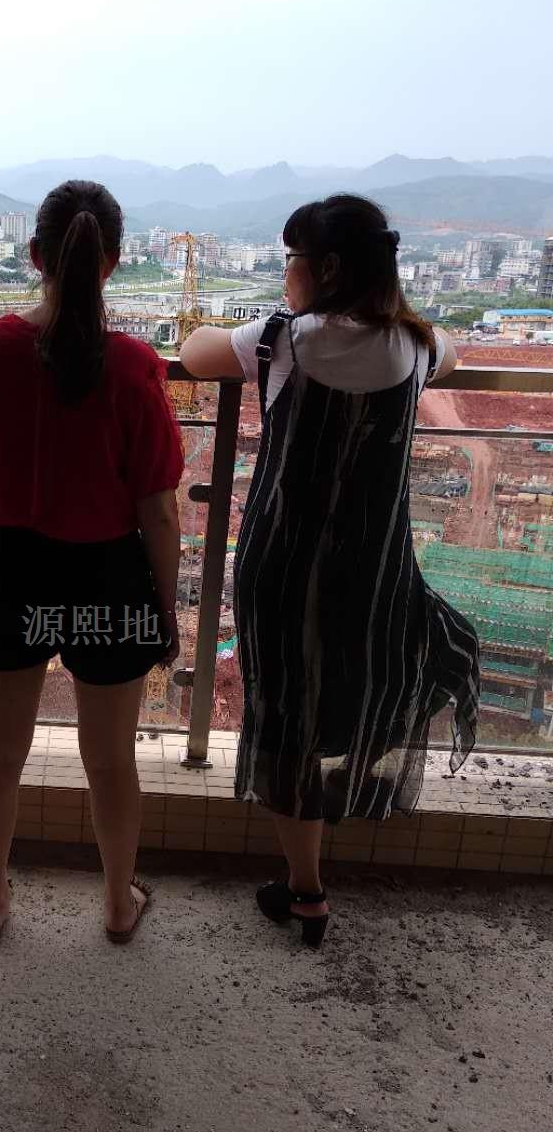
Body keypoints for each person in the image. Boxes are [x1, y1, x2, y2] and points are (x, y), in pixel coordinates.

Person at [179, 194, 480, 948]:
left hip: (282, 569)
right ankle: (348, 806)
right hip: (373, 573)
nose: (286, 273)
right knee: (356, 695)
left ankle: (306, 887)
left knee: (287, 718)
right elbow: (453, 352)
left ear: (328, 268)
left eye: (291, 260)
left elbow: (192, 353)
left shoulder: (282, 340)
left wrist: (235, 322)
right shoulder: (416, 347)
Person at [0, 180, 185, 943]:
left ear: (36, 255)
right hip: (107, 580)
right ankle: (118, 905)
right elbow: (159, 511)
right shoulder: (134, 366)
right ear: (113, 263)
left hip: (12, 573)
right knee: (112, 761)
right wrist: (164, 611)